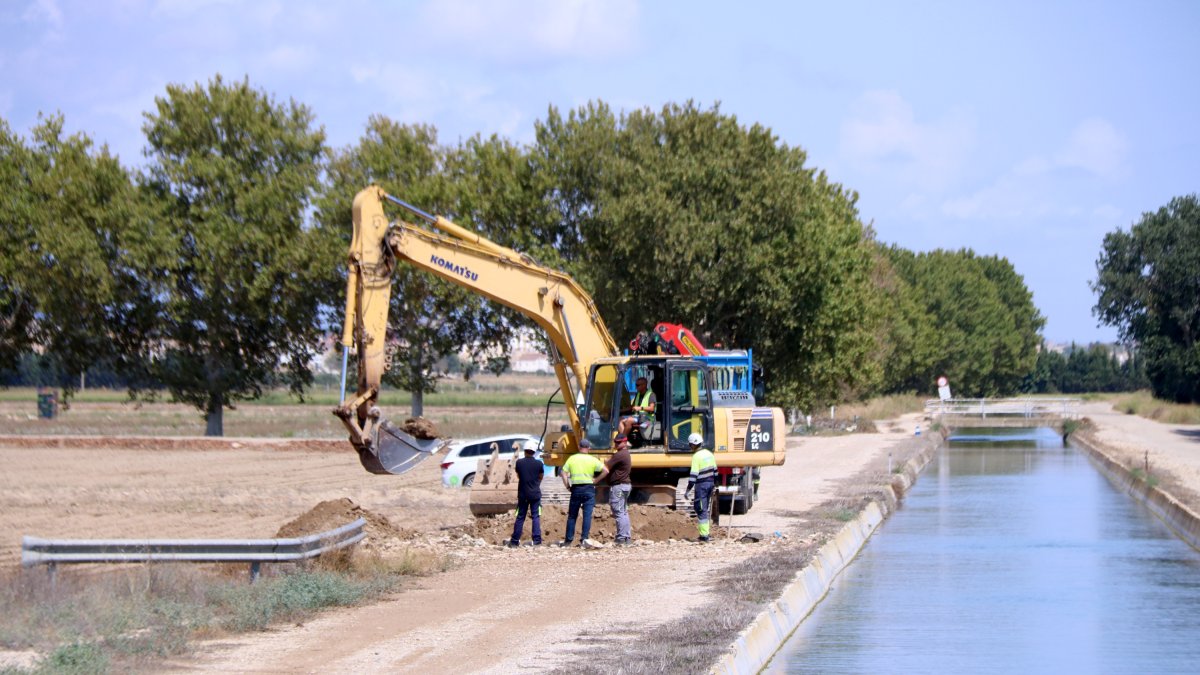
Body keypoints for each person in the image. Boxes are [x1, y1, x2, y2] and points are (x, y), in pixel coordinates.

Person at [559, 438, 608, 548]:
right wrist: (596, 480)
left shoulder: (572, 459)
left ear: (579, 447)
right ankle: (584, 540)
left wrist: (567, 485)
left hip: (576, 489)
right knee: (587, 516)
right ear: (589, 448)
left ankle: (568, 541)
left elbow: (563, 473)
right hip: (589, 489)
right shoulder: (592, 459)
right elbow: (606, 470)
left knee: (572, 516)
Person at [507, 440, 544, 547]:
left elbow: (519, 475)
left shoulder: (519, 463)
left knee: (520, 516)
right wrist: (536, 484)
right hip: (535, 494)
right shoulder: (539, 464)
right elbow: (540, 477)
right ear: (534, 452)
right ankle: (537, 540)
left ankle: (514, 541)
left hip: (523, 494)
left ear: (525, 451)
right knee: (535, 516)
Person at [683, 432, 717, 542]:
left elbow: (693, 476)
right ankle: (705, 534)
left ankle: (704, 536)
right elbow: (715, 472)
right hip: (710, 484)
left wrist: (688, 490)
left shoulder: (696, 457)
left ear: (693, 444)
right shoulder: (709, 454)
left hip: (701, 486)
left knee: (701, 509)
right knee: (704, 508)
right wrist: (715, 485)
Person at [605, 434, 634, 545]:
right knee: (623, 512)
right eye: (615, 442)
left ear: (625, 442)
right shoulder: (625, 454)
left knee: (618, 512)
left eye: (618, 442)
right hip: (625, 485)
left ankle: (621, 537)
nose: (616, 444)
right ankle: (626, 537)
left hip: (619, 486)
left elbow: (607, 466)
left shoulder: (620, 454)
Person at [618, 376, 657, 442]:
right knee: (619, 419)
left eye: (637, 385)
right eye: (636, 385)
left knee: (629, 420)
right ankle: (625, 441)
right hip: (637, 416)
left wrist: (640, 408)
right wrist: (619, 410)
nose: (636, 387)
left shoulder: (651, 394)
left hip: (647, 418)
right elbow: (632, 407)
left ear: (644, 385)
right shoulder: (638, 394)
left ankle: (622, 441)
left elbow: (652, 408)